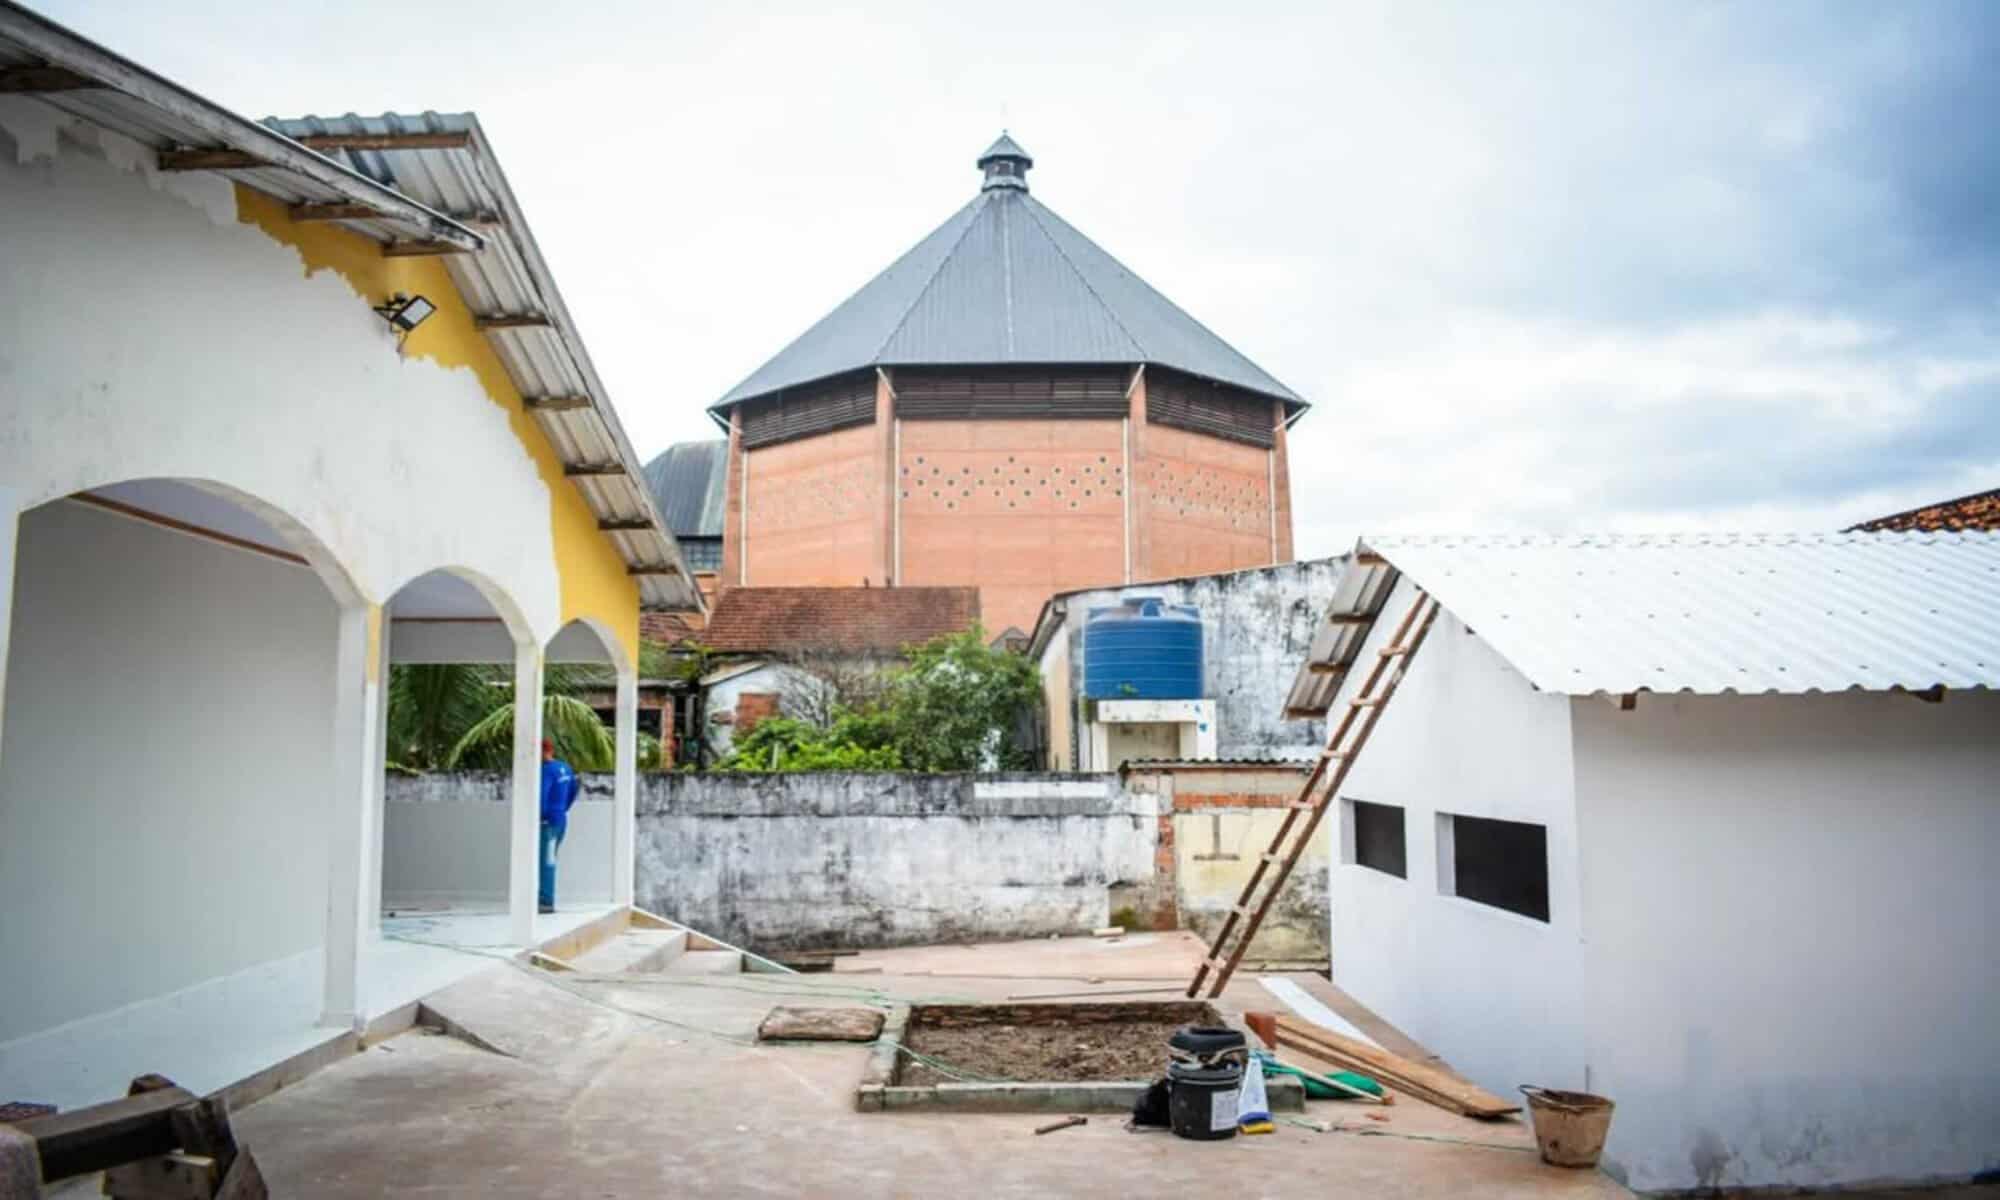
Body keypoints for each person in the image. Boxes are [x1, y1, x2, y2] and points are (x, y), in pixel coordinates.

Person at [538, 738, 580, 914]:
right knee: (549, 859)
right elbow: (574, 790)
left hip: (547, 823)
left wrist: (541, 816)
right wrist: (562, 809)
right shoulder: (565, 768)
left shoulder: (545, 771)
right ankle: (543, 898)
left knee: (546, 862)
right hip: (560, 820)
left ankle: (545, 901)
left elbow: (541, 797)